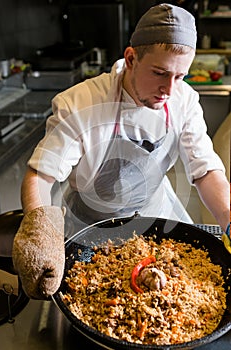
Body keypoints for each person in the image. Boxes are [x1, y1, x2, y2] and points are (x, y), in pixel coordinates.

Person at [12, 3, 230, 300]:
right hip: (88, 224)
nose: (169, 89)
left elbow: (206, 170)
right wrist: (40, 231)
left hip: (156, 216)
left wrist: (229, 219)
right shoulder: (82, 102)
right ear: (131, 58)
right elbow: (41, 174)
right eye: (159, 73)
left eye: (180, 76)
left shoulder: (184, 100)